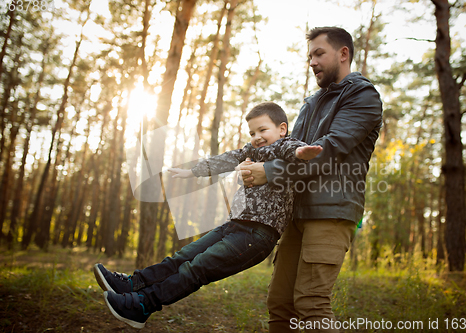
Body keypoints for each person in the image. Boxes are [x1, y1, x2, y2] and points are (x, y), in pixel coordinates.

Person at [93, 102, 323, 329]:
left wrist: (302, 152)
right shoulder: (250, 151)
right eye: (252, 132)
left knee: (196, 267)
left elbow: (296, 151)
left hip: (257, 235)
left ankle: (142, 305)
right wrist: (191, 171)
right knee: (182, 257)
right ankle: (133, 284)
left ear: (281, 129)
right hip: (234, 226)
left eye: (263, 130)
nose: (257, 137)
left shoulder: (285, 146)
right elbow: (223, 159)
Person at [239, 27, 383, 332]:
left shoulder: (362, 95)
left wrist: (270, 173)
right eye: (310, 56)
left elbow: (329, 150)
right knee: (281, 304)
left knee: (312, 304)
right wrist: (255, 166)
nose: (312, 62)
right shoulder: (310, 103)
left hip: (331, 212)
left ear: (343, 54)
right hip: (297, 213)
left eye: (319, 54)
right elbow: (290, 151)